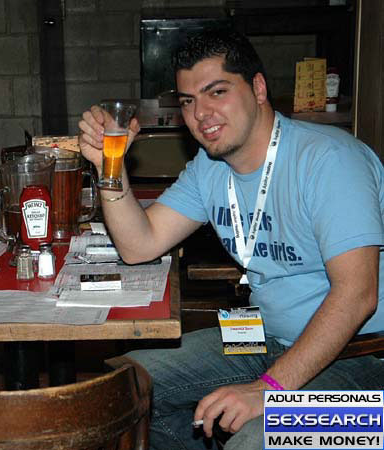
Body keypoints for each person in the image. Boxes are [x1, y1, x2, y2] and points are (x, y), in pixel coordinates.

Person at [78, 29, 384, 449]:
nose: (201, 113)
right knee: (120, 390)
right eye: (188, 101)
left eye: (216, 92)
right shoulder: (210, 167)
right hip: (261, 335)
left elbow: (358, 294)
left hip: (366, 356)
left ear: (258, 88)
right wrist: (107, 167)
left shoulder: (330, 160)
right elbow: (139, 245)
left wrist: (269, 389)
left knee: (255, 440)